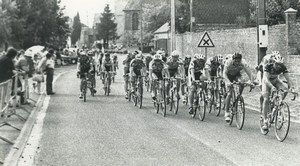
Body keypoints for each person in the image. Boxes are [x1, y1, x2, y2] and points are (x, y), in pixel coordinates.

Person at [259, 51, 292, 130]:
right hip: (267, 81)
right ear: (273, 63)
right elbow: (266, 79)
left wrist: (291, 88)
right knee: (266, 99)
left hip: (276, 80)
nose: (279, 67)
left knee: (285, 89)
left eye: (280, 65)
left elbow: (288, 79)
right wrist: (272, 87)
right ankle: (265, 121)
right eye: (277, 65)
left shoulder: (283, 67)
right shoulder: (267, 66)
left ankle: (277, 104)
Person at [223, 52, 254, 122]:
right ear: (233, 59)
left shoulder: (243, 62)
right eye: (235, 61)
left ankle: (238, 97)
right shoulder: (228, 62)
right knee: (229, 93)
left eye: (238, 61)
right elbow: (224, 74)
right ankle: (227, 112)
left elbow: (249, 73)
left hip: (237, 74)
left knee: (242, 82)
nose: (237, 63)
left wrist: (251, 82)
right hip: (228, 76)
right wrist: (228, 82)